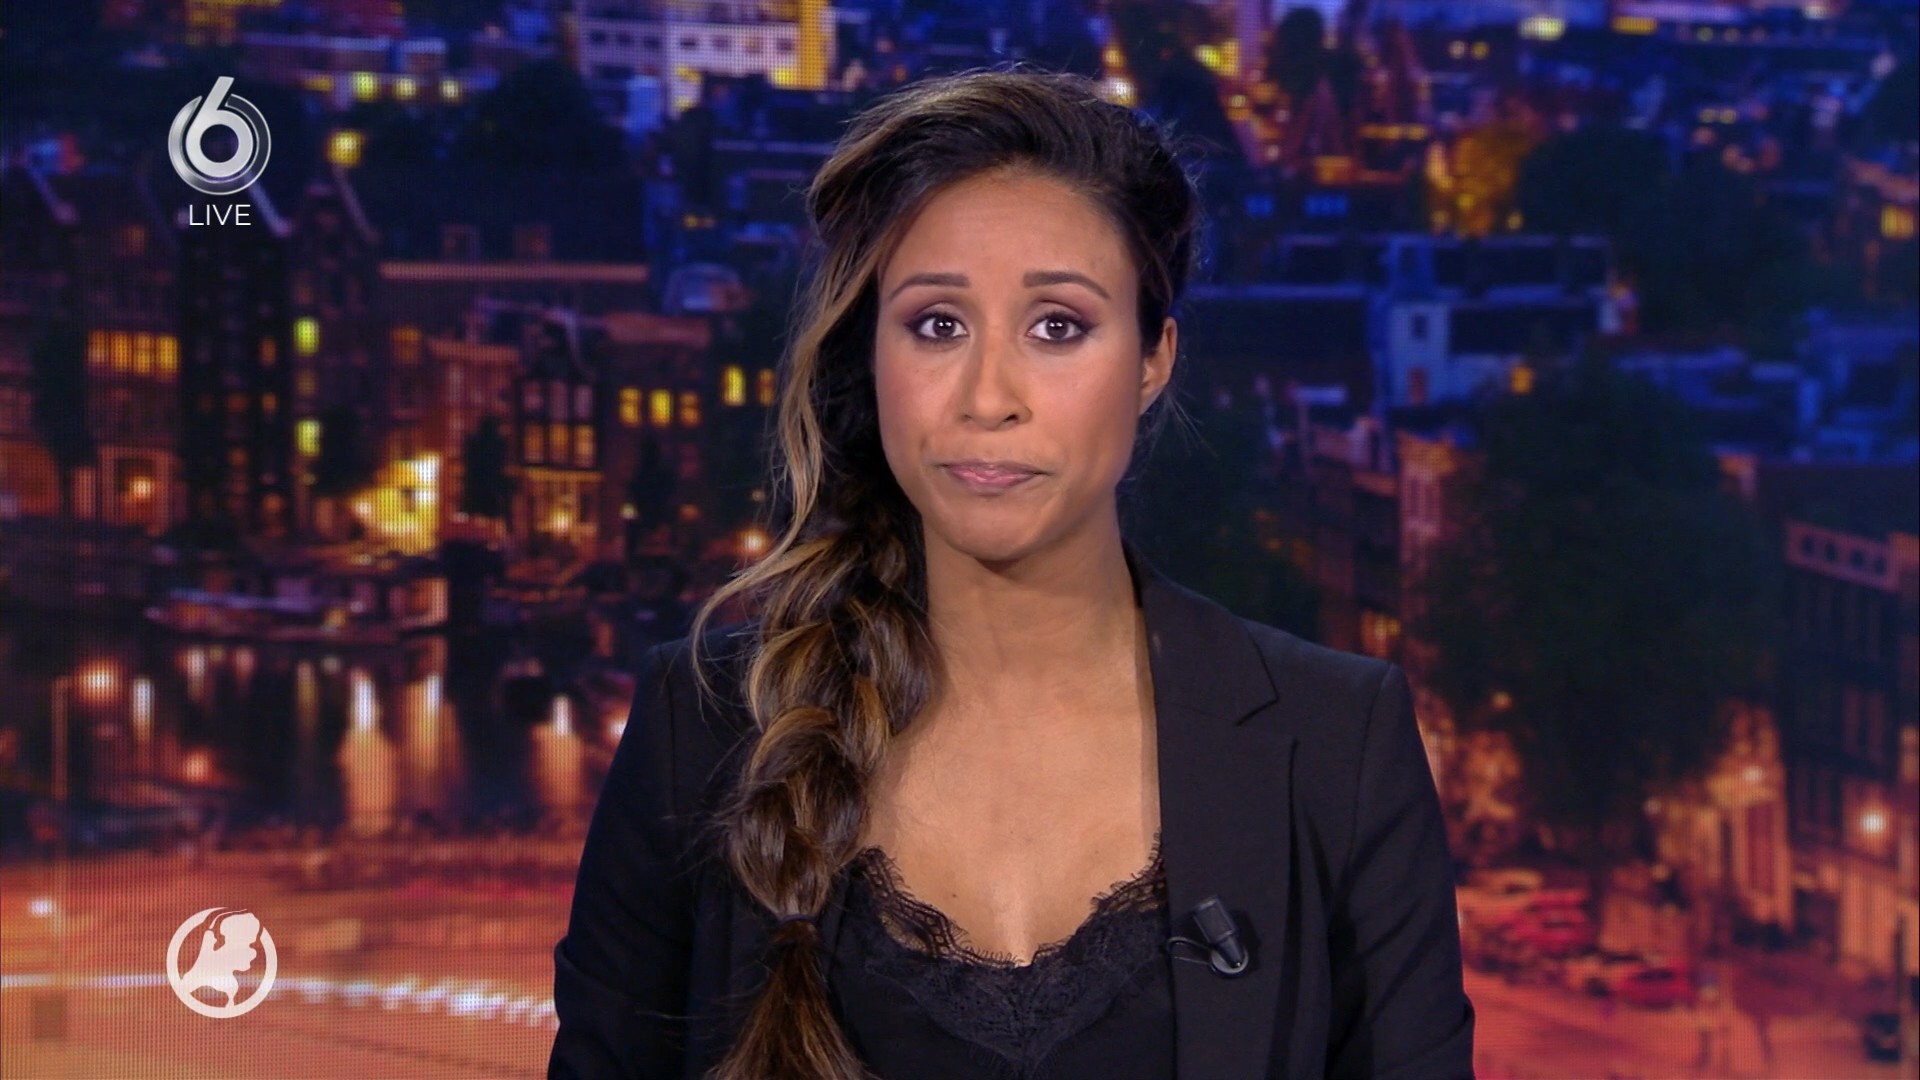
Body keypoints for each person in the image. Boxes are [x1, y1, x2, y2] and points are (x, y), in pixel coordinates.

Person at [550, 67, 1474, 1080]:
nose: (988, 397)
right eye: (938, 325)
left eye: (1057, 327)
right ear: (871, 354)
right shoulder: (701, 731)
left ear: (1154, 358)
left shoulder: (1339, 747)